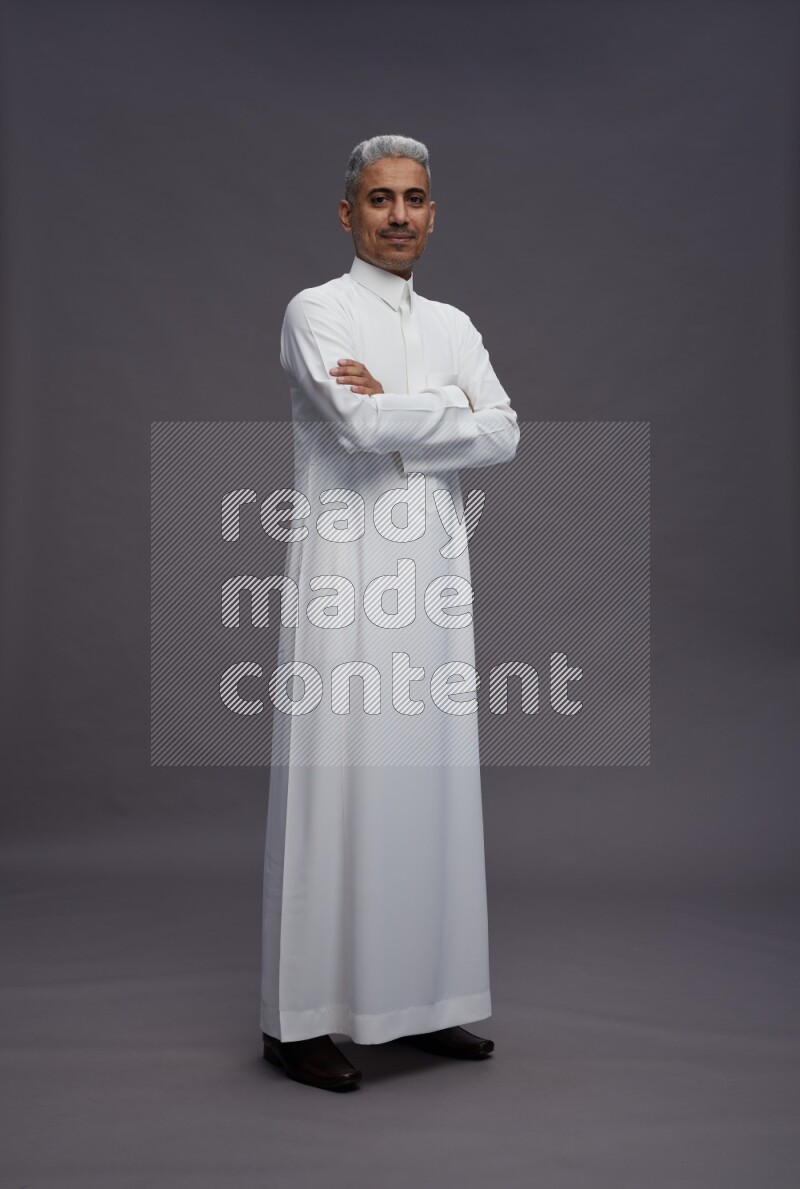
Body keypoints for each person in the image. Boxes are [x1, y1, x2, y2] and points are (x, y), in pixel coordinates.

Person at [260, 134, 520, 1091]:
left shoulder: (453, 322)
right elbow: (356, 424)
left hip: (435, 576)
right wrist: (441, 409)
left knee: (433, 785)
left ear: (433, 212)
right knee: (338, 784)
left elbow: (507, 431)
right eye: (381, 200)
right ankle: (298, 1023)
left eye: (414, 199)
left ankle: (424, 1003)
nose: (399, 215)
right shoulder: (314, 312)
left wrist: (412, 403)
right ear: (349, 214)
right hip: (344, 571)